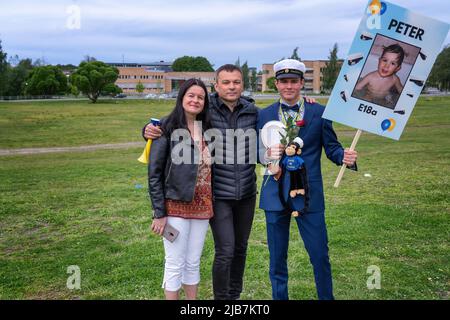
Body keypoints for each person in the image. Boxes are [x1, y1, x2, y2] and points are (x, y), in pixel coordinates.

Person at [145, 64, 259, 300]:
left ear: (242, 85)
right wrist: (147, 129)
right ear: (216, 85)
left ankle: (230, 299)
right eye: (225, 82)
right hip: (203, 199)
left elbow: (277, 119)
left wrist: (303, 101)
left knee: (216, 255)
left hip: (221, 199)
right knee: (220, 252)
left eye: (236, 82)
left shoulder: (249, 111)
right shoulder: (196, 117)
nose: (231, 86)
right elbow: (161, 139)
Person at [257, 59, 358, 300]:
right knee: (277, 259)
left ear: (302, 83)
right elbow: (257, 154)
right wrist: (266, 156)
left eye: (293, 81)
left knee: (320, 256)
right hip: (275, 194)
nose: (288, 86)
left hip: (309, 194)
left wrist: (344, 156)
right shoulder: (264, 115)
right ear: (276, 84)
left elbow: (331, 147)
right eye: (283, 82)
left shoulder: (319, 112)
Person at [148, 78, 213, 300]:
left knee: (193, 261)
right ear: (182, 98)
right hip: (175, 206)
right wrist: (159, 213)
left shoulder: (207, 127)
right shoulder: (165, 127)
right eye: (191, 95)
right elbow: (154, 174)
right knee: (175, 263)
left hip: (203, 206)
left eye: (201, 97)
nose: (195, 100)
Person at [354, 44, 405, 108]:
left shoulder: (395, 79)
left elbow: (401, 91)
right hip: (370, 95)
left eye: (392, 63)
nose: (386, 66)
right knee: (366, 99)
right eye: (385, 60)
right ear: (379, 61)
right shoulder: (370, 77)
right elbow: (357, 88)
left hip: (384, 98)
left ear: (397, 68)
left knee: (389, 104)